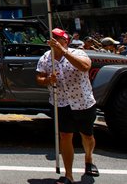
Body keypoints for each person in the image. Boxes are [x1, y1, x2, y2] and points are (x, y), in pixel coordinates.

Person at [36, 28, 99, 184]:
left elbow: (85, 67)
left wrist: (63, 52)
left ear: (66, 41)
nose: (55, 41)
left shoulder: (78, 53)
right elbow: (39, 78)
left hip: (83, 102)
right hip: (61, 103)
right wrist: (48, 80)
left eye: (59, 38)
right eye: (53, 38)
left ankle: (89, 158)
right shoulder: (45, 58)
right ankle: (68, 175)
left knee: (87, 136)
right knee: (65, 136)